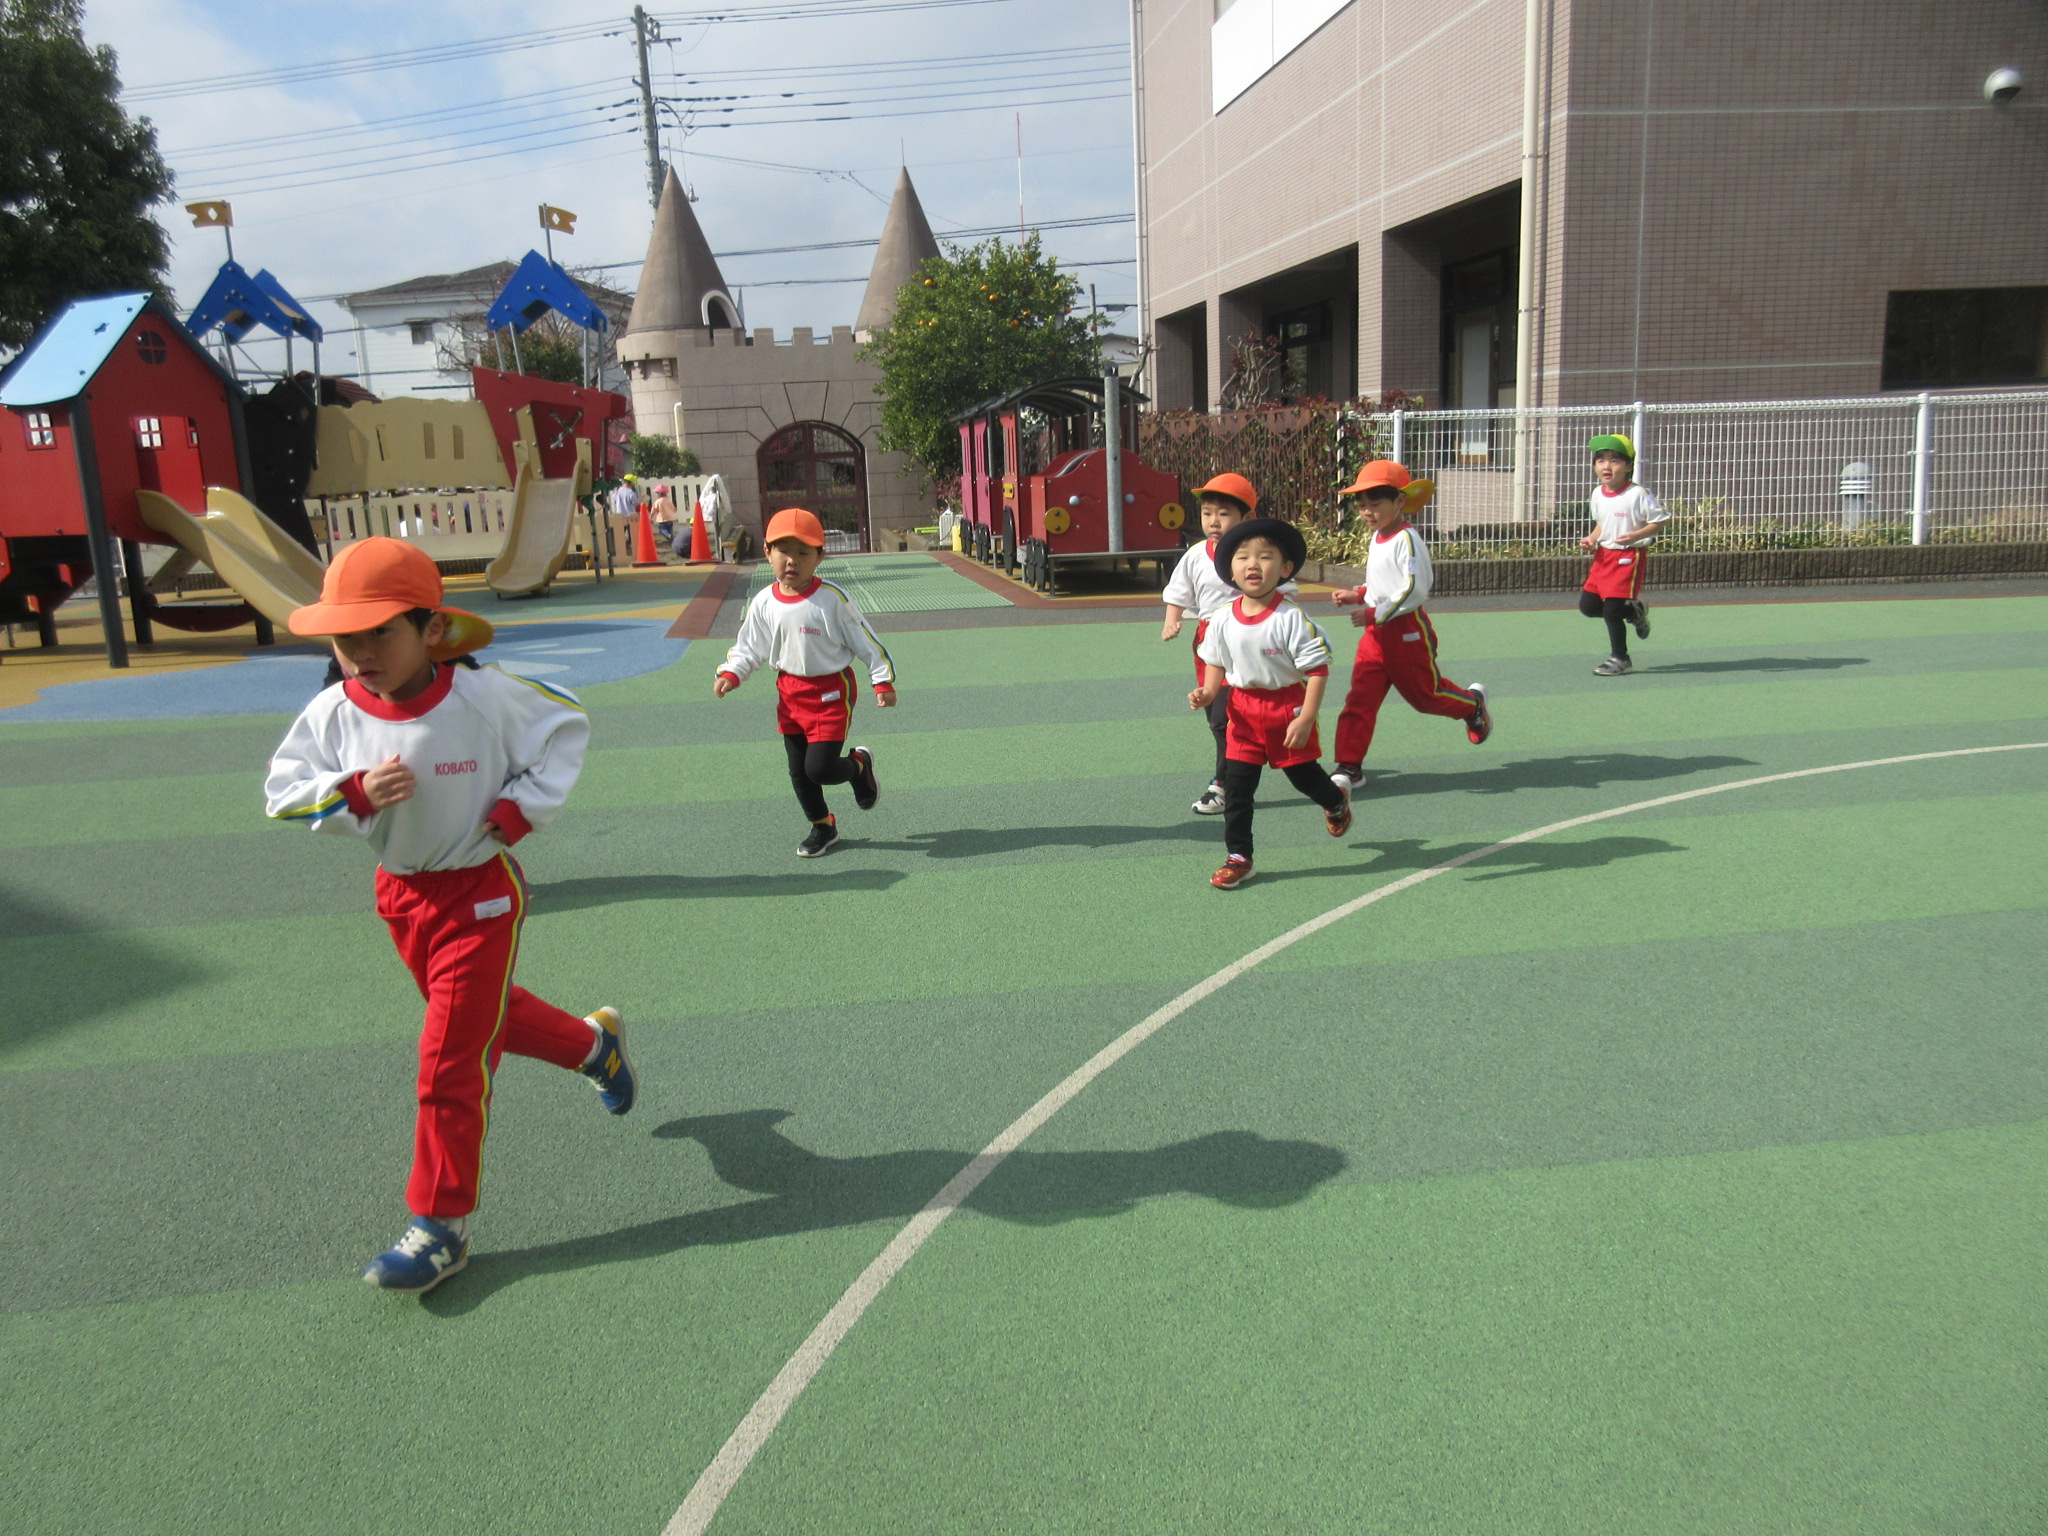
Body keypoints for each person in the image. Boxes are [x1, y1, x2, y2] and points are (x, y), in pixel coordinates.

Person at [262, 538, 632, 1295]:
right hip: (402, 898)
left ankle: (441, 1226)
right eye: (345, 637)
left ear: (432, 629)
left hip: (481, 895)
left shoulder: (483, 696)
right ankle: (595, 1047)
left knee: (450, 1060)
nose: (362, 652)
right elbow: (283, 792)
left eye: (380, 632)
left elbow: (566, 726)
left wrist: (520, 809)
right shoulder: (333, 711)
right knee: (482, 1019)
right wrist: (351, 793)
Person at [715, 507, 895, 857]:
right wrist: (733, 672)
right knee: (799, 772)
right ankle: (822, 826)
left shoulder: (832, 600)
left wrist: (882, 680)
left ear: (820, 557)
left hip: (830, 692)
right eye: (783, 551)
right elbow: (750, 646)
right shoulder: (764, 602)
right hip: (790, 693)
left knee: (820, 768)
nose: (792, 561)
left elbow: (866, 641)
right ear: (767, 552)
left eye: (803, 552)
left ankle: (858, 766)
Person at [1191, 517, 1352, 890]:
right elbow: (1215, 661)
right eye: (1243, 557)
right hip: (1242, 713)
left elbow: (1317, 671)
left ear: (1285, 568)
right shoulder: (1221, 619)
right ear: (1230, 569)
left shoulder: (1291, 618)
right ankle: (1239, 857)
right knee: (1238, 790)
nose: (1253, 565)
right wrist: (1209, 692)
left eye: (1265, 557)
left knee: (1305, 779)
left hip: (1287, 710)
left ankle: (1335, 800)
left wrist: (1306, 717)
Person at [1328, 461, 1492, 792]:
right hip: (1375, 638)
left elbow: (1414, 589)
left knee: (1427, 698)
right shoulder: (1378, 536)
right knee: (1359, 701)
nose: (1367, 512)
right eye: (1362, 505)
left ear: (1399, 501)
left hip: (1407, 633)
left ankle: (1473, 705)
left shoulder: (1407, 539)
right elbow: (1383, 583)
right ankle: (1350, 766)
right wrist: (1360, 594)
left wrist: (1374, 613)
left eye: (1375, 504)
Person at [1162, 472, 1257, 815]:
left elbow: (1281, 591)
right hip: (1207, 643)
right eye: (1207, 513)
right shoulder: (1196, 554)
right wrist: (1172, 619)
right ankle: (1241, 767)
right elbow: (1179, 590)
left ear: (1247, 517)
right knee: (1216, 716)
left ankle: (1223, 783)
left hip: (1244, 642)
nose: (1213, 521)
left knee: (1224, 719)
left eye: (1224, 513)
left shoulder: (1254, 553)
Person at [1578, 433, 1666, 675]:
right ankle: (1634, 611)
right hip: (1602, 557)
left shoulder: (1638, 494)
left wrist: (1636, 536)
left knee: (1611, 610)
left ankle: (1620, 658)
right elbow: (1602, 524)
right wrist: (1592, 539)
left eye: (1615, 460)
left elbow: (1659, 521)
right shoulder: (1598, 493)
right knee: (1588, 607)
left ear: (1628, 466)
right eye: (1600, 460)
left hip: (1628, 557)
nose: (1607, 466)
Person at [649, 483, 677, 556]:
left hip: (662, 519)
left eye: (656, 493)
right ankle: (672, 542)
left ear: (659, 493)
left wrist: (650, 517)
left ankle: (668, 535)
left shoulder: (658, 501)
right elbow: (673, 508)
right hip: (670, 518)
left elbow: (653, 510)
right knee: (670, 529)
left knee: (662, 530)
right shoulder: (669, 500)